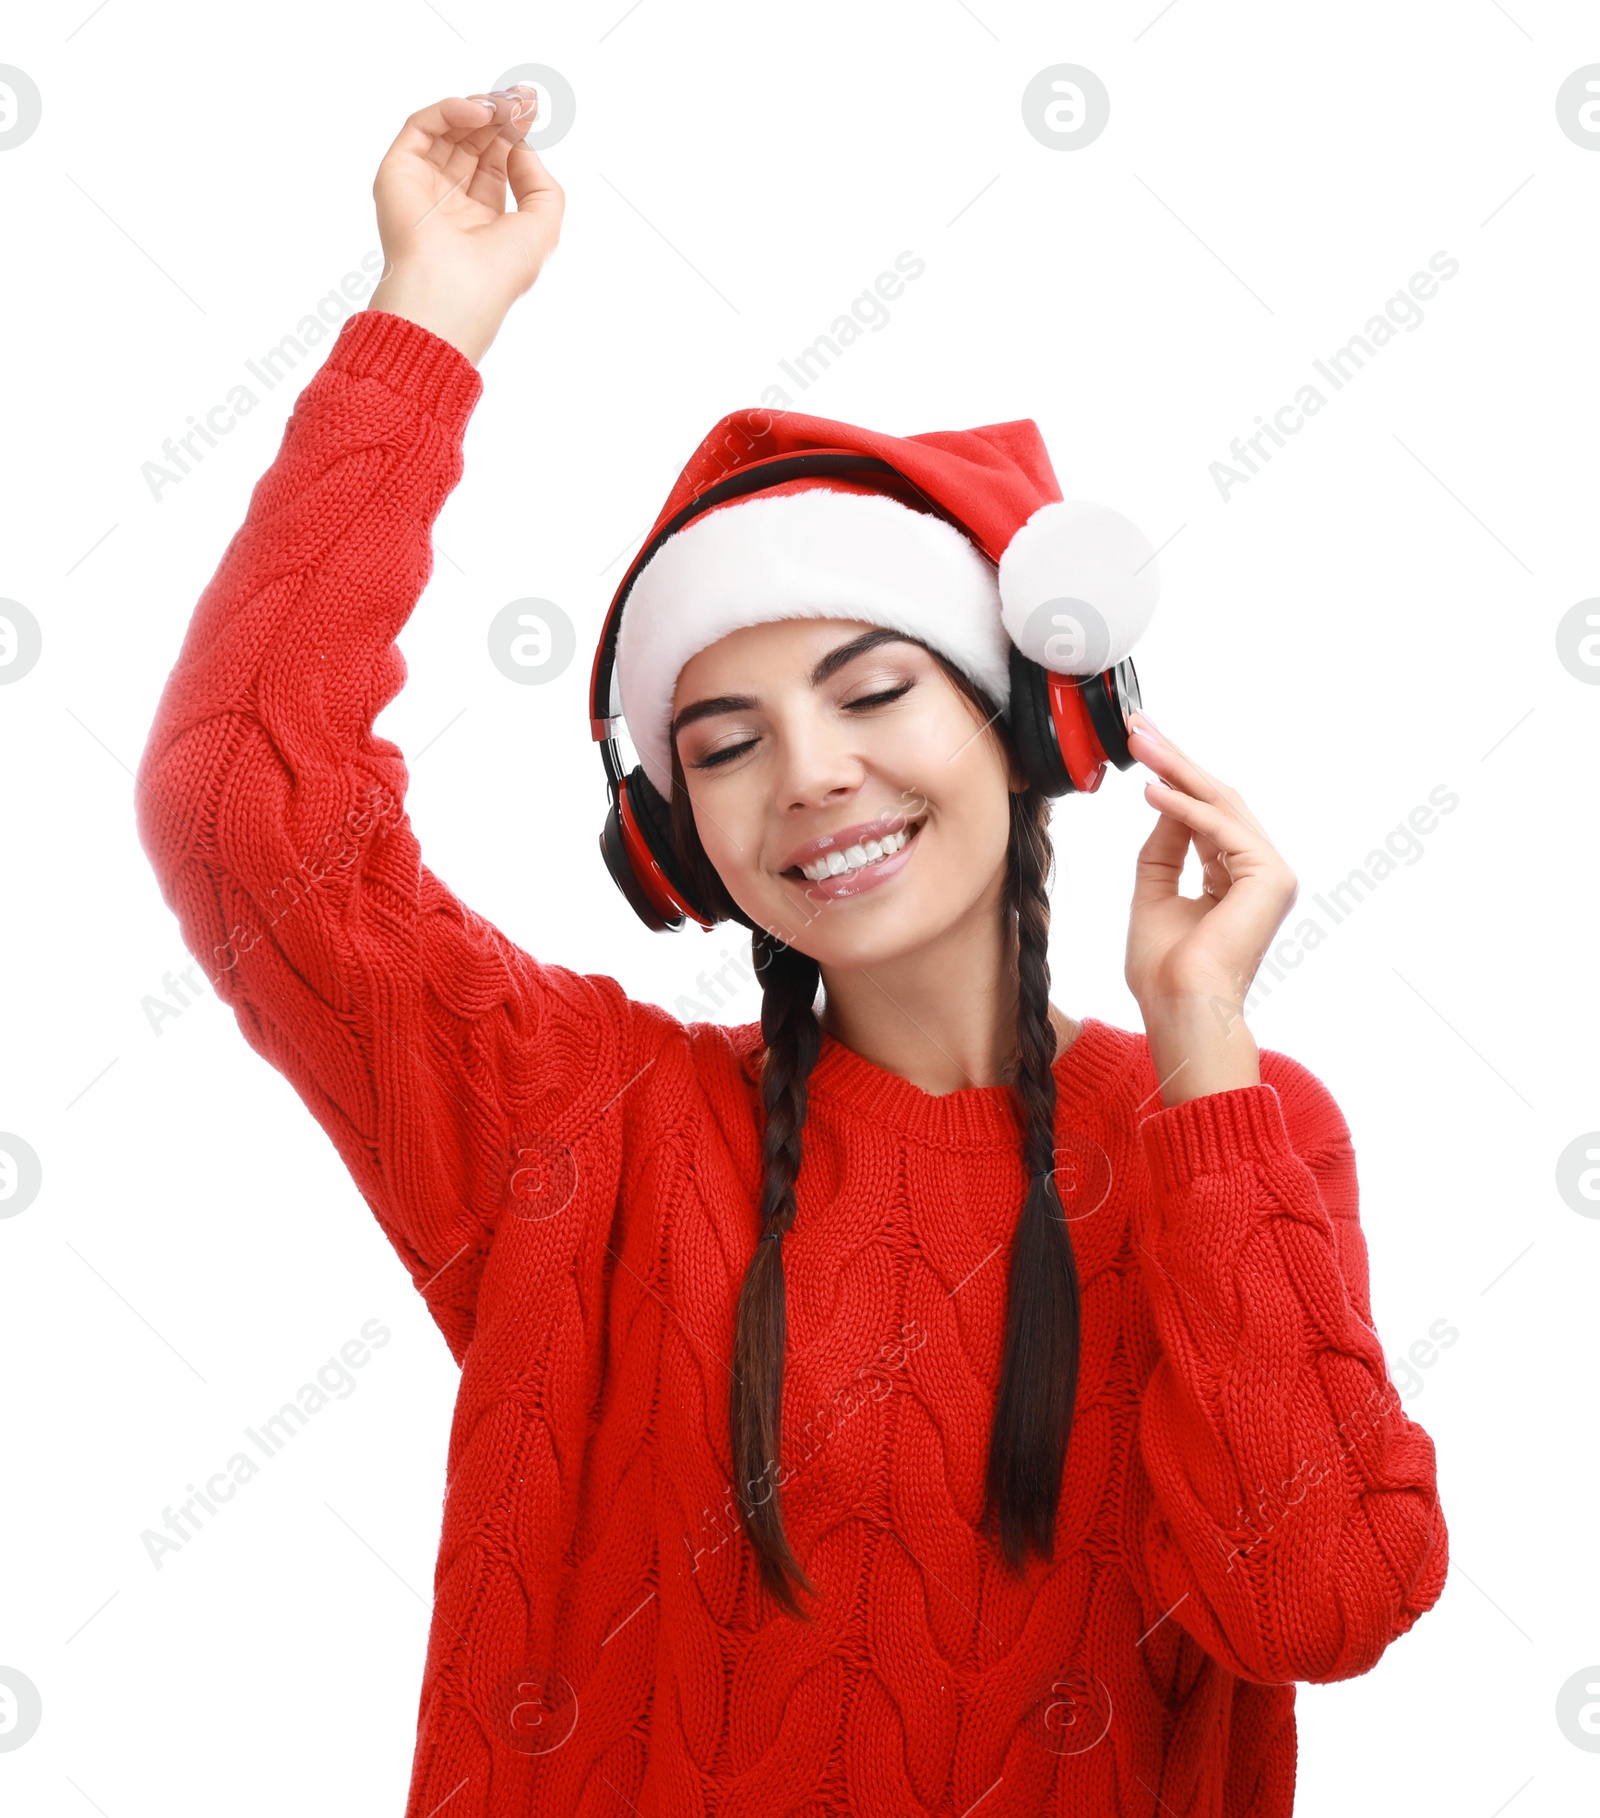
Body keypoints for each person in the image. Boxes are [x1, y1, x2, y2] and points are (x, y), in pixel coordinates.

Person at [134, 85, 1447, 1818]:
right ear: (680, 838)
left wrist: (1203, 1043)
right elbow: (243, 800)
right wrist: (426, 321)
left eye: (876, 689)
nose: (811, 774)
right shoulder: (580, 1126)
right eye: (726, 741)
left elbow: (1319, 1601)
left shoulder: (1223, 1133)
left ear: (1032, 722)